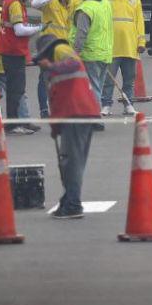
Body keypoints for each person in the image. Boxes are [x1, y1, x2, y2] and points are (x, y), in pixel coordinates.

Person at [32, 35, 101, 220]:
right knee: (71, 162)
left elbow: (74, 64)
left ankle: (73, 204)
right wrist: (55, 128)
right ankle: (69, 198)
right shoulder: (52, 72)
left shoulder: (60, 49)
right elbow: (56, 99)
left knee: (72, 163)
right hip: (77, 114)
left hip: (77, 114)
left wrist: (50, 66)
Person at [0, 0, 43, 134]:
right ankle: (13, 124)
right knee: (15, 90)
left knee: (16, 89)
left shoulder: (9, 1)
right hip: (13, 51)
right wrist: (38, 28)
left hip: (10, 50)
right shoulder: (15, 4)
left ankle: (19, 122)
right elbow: (19, 30)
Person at [31, 0, 81, 118]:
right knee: (44, 79)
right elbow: (34, 3)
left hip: (63, 48)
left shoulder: (69, 7)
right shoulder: (50, 3)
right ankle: (44, 110)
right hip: (47, 46)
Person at [102, 0, 146, 116]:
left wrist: (141, 42)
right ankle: (106, 104)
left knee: (129, 79)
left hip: (130, 46)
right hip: (112, 46)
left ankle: (128, 104)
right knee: (109, 79)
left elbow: (139, 22)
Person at [70, 0, 114, 107]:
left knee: (93, 88)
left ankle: (95, 115)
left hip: (90, 55)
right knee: (97, 87)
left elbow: (81, 33)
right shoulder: (105, 3)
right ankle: (94, 112)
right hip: (105, 53)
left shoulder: (85, 8)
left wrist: (75, 53)